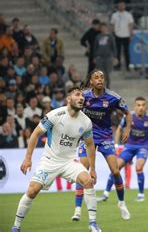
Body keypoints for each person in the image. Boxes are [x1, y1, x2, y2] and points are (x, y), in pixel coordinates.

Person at [11, 87, 101, 232]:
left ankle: (93, 224)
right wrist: (28, 159)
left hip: (69, 161)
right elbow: (35, 134)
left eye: (82, 96)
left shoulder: (86, 122)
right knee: (32, 191)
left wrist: (93, 169)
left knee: (88, 182)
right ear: (68, 99)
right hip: (49, 161)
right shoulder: (55, 114)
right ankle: (16, 227)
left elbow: (90, 145)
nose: (81, 98)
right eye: (77, 95)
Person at [72, 69, 132, 221]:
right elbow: (71, 107)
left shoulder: (112, 97)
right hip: (87, 137)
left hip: (105, 137)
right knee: (82, 171)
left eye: (102, 77)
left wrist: (128, 129)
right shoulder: (83, 95)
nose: (100, 79)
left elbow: (128, 113)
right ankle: (77, 210)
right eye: (96, 77)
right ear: (91, 81)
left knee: (116, 171)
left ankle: (122, 203)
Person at [97, 97, 148, 202]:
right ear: (134, 106)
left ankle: (141, 194)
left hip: (143, 146)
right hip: (130, 146)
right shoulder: (129, 117)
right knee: (115, 168)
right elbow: (119, 129)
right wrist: (116, 144)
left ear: (147, 107)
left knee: (139, 167)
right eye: (138, 105)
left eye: (143, 105)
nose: (140, 107)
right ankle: (106, 194)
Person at [110, 0, 134, 71]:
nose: (121, 6)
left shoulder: (128, 15)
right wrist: (112, 33)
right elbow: (112, 25)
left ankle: (128, 66)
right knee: (117, 52)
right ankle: (118, 65)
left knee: (126, 52)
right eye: (120, 5)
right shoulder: (114, 15)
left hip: (126, 35)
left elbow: (130, 25)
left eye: (122, 5)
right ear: (118, 6)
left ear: (125, 6)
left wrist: (130, 34)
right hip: (117, 35)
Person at [93, 23, 116, 88]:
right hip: (99, 57)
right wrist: (94, 57)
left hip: (108, 57)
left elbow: (113, 47)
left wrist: (115, 56)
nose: (103, 29)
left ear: (106, 28)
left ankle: (108, 87)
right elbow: (95, 47)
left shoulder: (110, 36)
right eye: (101, 28)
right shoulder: (98, 37)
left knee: (107, 73)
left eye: (104, 27)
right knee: (101, 73)